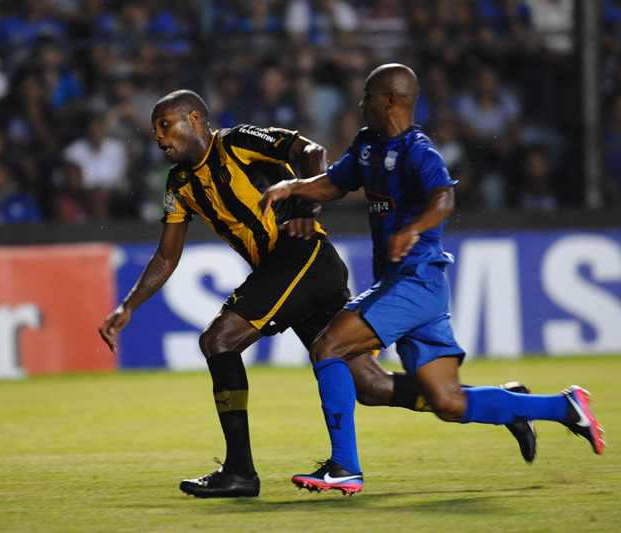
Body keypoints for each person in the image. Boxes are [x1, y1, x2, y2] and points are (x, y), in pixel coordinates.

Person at [99, 89, 535, 499]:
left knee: (218, 340)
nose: (157, 136)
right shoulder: (179, 184)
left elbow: (310, 152)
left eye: (165, 124)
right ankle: (508, 405)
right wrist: (128, 306)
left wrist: (307, 205)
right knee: (370, 384)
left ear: (195, 119)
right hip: (293, 273)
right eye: (155, 128)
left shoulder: (238, 141)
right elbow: (165, 257)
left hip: (302, 256)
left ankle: (239, 472)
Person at [260, 63, 605, 494]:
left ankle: (344, 467)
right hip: (414, 288)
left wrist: (412, 229)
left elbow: (444, 199)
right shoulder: (367, 145)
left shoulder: (419, 151)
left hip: (415, 279)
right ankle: (562, 406)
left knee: (329, 345)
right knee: (447, 401)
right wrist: (293, 188)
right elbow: (333, 183)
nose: (361, 102)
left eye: (368, 94)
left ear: (389, 99)